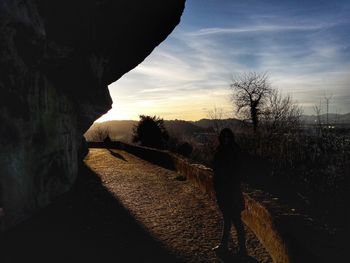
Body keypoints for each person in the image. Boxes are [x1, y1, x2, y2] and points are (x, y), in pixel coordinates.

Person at [212, 128, 247, 255]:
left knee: (236, 220)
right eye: (224, 137)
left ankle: (242, 248)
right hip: (223, 192)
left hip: (232, 192)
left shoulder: (234, 151)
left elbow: (237, 173)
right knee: (228, 219)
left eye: (228, 137)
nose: (226, 139)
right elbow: (216, 171)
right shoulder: (220, 150)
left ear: (231, 138)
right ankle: (225, 246)